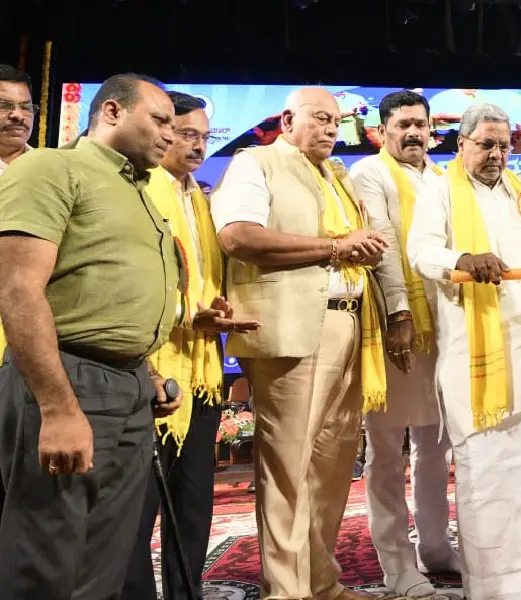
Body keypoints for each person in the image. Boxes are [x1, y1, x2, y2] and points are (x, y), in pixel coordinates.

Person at [0, 73, 183, 599]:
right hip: (67, 378)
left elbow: (109, 292)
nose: (170, 135)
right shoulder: (52, 167)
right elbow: (18, 290)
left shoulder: (141, 189)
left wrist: (146, 373)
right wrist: (57, 408)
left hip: (127, 389)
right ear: (111, 113)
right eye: (160, 120)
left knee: (103, 560)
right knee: (46, 558)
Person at [210, 87, 389, 600]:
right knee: (289, 468)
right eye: (321, 119)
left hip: (351, 326)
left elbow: (348, 248)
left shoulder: (335, 175)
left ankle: (321, 582)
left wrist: (365, 249)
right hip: (294, 331)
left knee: (333, 467)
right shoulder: (256, 162)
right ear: (287, 118)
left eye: (338, 121)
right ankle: (286, 591)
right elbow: (238, 237)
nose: (333, 129)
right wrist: (336, 247)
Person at [407, 103, 521, 599]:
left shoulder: (520, 194)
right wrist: (462, 257)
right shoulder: (439, 191)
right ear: (461, 144)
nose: (496, 154)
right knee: (490, 468)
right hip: (477, 359)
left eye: (504, 145)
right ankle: (498, 586)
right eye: (486, 144)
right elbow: (420, 252)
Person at [121, 91, 261, 600]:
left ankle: (188, 593)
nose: (199, 146)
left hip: (202, 371)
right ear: (160, 132)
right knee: (137, 509)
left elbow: (201, 276)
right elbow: (135, 282)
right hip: (150, 370)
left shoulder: (198, 197)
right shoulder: (140, 191)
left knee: (193, 503)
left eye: (205, 137)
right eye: (187, 134)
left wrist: (217, 310)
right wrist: (187, 314)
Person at [349, 90, 460, 597]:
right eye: (402, 125)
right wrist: (398, 311)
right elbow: (381, 245)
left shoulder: (442, 177)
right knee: (387, 449)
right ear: (383, 131)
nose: (412, 133)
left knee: (436, 446)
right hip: (396, 326)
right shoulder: (368, 174)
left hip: (446, 327)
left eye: (419, 123)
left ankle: (436, 547)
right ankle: (397, 565)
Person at [0, 64, 38, 358]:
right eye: (4, 106)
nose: (17, 115)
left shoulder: (53, 171)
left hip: (35, 331)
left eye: (26, 107)